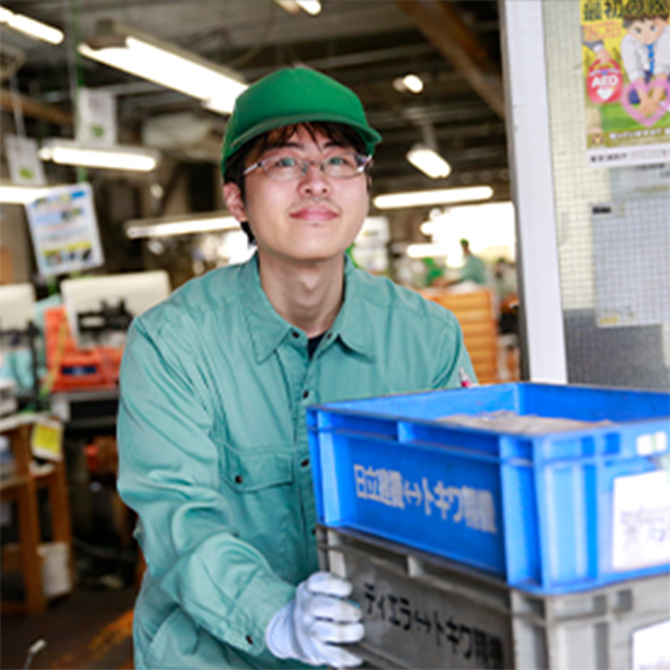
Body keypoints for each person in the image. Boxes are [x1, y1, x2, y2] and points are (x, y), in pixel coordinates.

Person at [117, 66, 476, 670]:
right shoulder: (172, 343)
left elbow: (461, 501)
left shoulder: (427, 337)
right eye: (284, 162)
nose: (316, 182)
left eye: (339, 161)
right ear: (237, 198)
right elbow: (177, 518)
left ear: (365, 188)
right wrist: (275, 617)